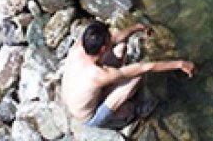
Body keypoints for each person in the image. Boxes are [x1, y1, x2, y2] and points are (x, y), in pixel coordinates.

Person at [60, 21, 196, 130]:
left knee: (121, 48)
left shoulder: (79, 47)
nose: (111, 37)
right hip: (89, 116)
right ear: (102, 49)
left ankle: (111, 91)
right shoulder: (98, 75)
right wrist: (180, 64)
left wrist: (137, 27)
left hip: (74, 100)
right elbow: (145, 67)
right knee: (137, 77)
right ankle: (126, 115)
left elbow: (114, 39)